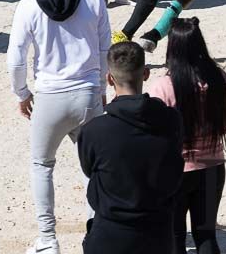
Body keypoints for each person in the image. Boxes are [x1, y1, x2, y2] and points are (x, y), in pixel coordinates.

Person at [7, 0, 112, 254]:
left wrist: (22, 93)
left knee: (42, 165)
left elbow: (15, 59)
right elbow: (104, 47)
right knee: (93, 167)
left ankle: (48, 240)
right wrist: (101, 88)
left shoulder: (27, 7)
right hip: (87, 92)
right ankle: (97, 232)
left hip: (50, 95)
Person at [77, 42, 184, 254]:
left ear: (109, 79)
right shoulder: (171, 120)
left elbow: (89, 170)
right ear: (145, 74)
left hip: (110, 234)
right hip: (158, 234)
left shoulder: (94, 131)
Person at [146, 18, 226, 254]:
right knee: (206, 236)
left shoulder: (163, 87)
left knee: (174, 237)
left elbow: (154, 136)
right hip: (213, 168)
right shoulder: (219, 78)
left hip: (175, 172)